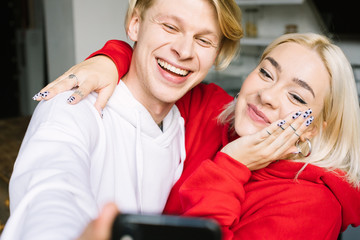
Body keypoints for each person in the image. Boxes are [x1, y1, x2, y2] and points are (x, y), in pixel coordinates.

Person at [35, 33, 360, 240]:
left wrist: (231, 165)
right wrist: (109, 60)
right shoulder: (214, 110)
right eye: (265, 73)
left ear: (317, 126)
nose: (268, 96)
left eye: (297, 98)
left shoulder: (314, 207)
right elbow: (152, 71)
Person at [1, 0, 244, 239]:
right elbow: (49, 188)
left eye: (203, 40)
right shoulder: (72, 105)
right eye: (170, 27)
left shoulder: (190, 117)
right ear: (135, 24)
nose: (184, 51)